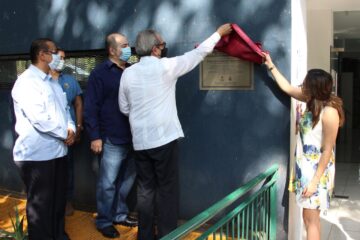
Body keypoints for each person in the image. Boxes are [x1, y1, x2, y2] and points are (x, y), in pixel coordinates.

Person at [119, 23, 232, 240]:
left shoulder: (127, 74)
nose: (163, 48)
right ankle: (167, 235)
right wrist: (218, 33)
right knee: (167, 191)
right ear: (154, 49)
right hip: (163, 140)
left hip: (140, 142)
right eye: (161, 45)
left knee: (145, 191)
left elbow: (124, 108)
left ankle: (144, 236)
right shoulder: (166, 67)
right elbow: (198, 53)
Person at [263, 53, 344, 240]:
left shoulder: (329, 112)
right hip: (304, 169)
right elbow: (287, 88)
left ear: (314, 88)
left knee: (310, 220)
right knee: (309, 218)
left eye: (306, 83)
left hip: (317, 172)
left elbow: (327, 150)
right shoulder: (310, 102)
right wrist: (270, 65)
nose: (302, 85)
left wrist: (315, 181)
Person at [11, 38, 75, 240]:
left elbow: (65, 110)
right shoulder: (27, 82)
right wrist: (64, 133)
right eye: (54, 52)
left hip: (58, 153)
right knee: (41, 210)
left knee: (57, 204)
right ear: (42, 55)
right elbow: (40, 119)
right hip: (37, 157)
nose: (58, 57)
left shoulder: (53, 82)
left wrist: (71, 128)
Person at [84, 33, 137, 238]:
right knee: (107, 184)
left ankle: (120, 214)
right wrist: (95, 136)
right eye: (123, 45)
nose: (128, 48)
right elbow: (90, 107)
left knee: (127, 180)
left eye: (128, 45)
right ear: (112, 50)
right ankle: (104, 221)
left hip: (133, 137)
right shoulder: (100, 73)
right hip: (111, 139)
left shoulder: (133, 71)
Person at [50, 48, 83, 216]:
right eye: (59, 57)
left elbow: (77, 104)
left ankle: (67, 201)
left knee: (67, 169)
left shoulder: (70, 80)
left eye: (64, 58)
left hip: (68, 136)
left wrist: (78, 127)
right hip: (48, 137)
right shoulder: (43, 81)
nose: (62, 60)